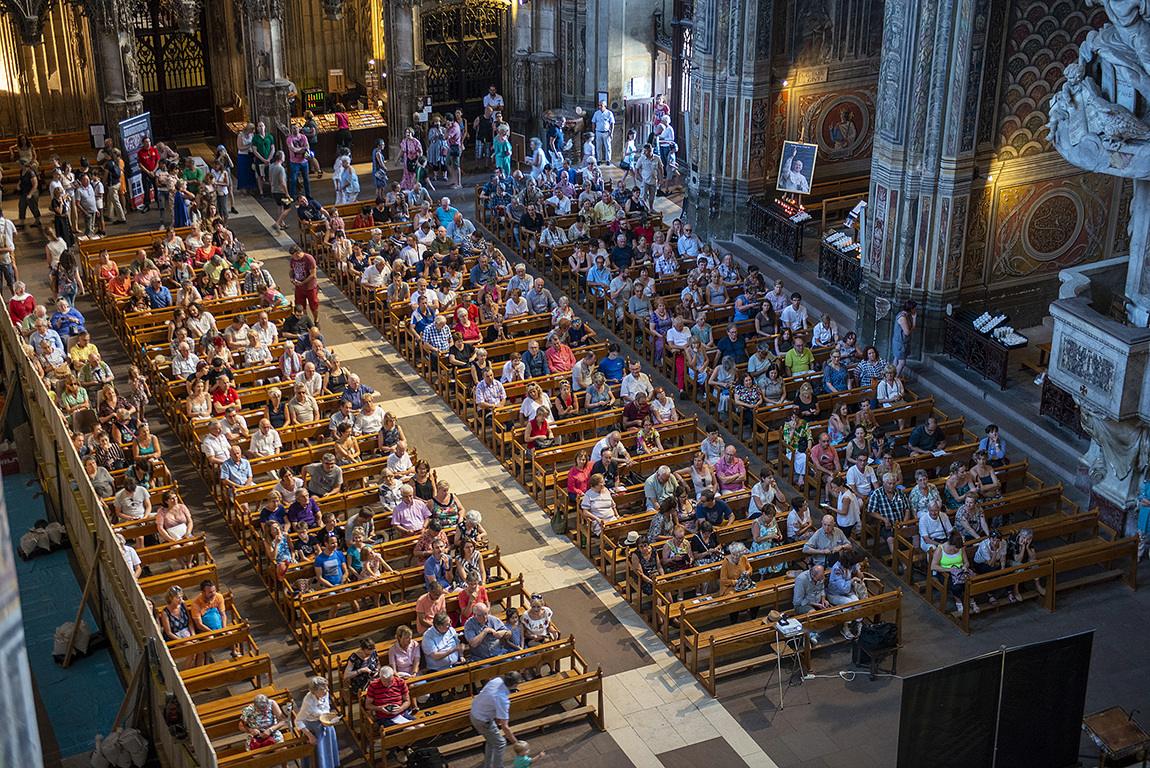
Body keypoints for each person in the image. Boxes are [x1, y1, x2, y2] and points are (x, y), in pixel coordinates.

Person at [470, 671, 522, 768]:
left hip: (474, 712)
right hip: (482, 720)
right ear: (514, 685)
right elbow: (505, 727)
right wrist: (516, 743)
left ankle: (488, 765)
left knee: (492, 741)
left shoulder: (496, 680)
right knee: (501, 743)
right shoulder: (503, 699)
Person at [295, 677, 340, 768]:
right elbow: (298, 721)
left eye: (326, 686)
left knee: (328, 750)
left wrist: (328, 714)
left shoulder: (325, 694)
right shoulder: (309, 702)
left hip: (326, 724)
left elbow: (326, 707)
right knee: (320, 754)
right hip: (315, 729)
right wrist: (310, 736)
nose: (327, 689)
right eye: (324, 688)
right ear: (316, 691)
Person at [931, 530, 976, 614]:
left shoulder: (960, 548)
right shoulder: (940, 550)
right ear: (949, 543)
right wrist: (949, 569)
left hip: (959, 571)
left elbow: (966, 562)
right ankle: (958, 601)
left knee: (968, 584)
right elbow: (933, 566)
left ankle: (972, 601)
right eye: (954, 547)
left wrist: (965, 567)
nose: (956, 550)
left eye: (957, 548)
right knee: (957, 586)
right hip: (945, 573)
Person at [868, 473, 911, 557]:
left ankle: (917, 560)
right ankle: (900, 562)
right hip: (887, 526)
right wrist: (884, 519)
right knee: (891, 540)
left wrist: (904, 524)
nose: (892, 486)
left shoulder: (899, 493)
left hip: (901, 524)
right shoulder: (877, 494)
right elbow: (870, 511)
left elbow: (907, 508)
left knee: (916, 534)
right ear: (884, 483)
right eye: (889, 484)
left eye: (894, 483)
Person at [793, 564, 829, 642]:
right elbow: (798, 600)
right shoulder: (801, 579)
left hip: (818, 602)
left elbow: (822, 589)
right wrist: (816, 605)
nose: (820, 581)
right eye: (818, 580)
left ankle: (815, 632)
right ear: (812, 575)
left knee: (837, 614)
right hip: (802, 604)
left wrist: (823, 600)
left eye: (821, 579)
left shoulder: (820, 576)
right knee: (812, 613)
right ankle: (809, 634)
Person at [893, 300, 916, 377]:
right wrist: (909, 330)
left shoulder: (908, 316)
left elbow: (912, 328)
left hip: (903, 342)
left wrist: (914, 318)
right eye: (914, 309)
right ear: (911, 309)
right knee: (902, 363)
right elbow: (907, 332)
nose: (915, 310)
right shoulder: (902, 317)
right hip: (900, 343)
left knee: (896, 359)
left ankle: (891, 376)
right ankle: (894, 379)